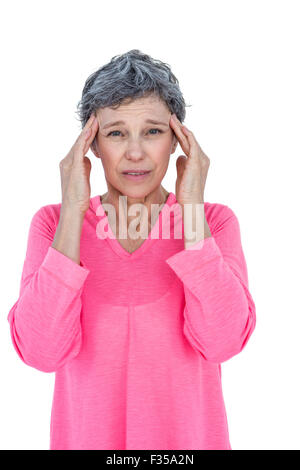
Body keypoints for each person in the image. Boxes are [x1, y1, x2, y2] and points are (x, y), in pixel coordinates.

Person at [7, 49, 256, 450]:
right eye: (116, 133)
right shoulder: (54, 224)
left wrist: (191, 205)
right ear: (91, 144)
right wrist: (73, 209)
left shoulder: (215, 222)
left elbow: (222, 342)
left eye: (153, 131)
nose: (135, 152)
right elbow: (41, 353)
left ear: (178, 140)